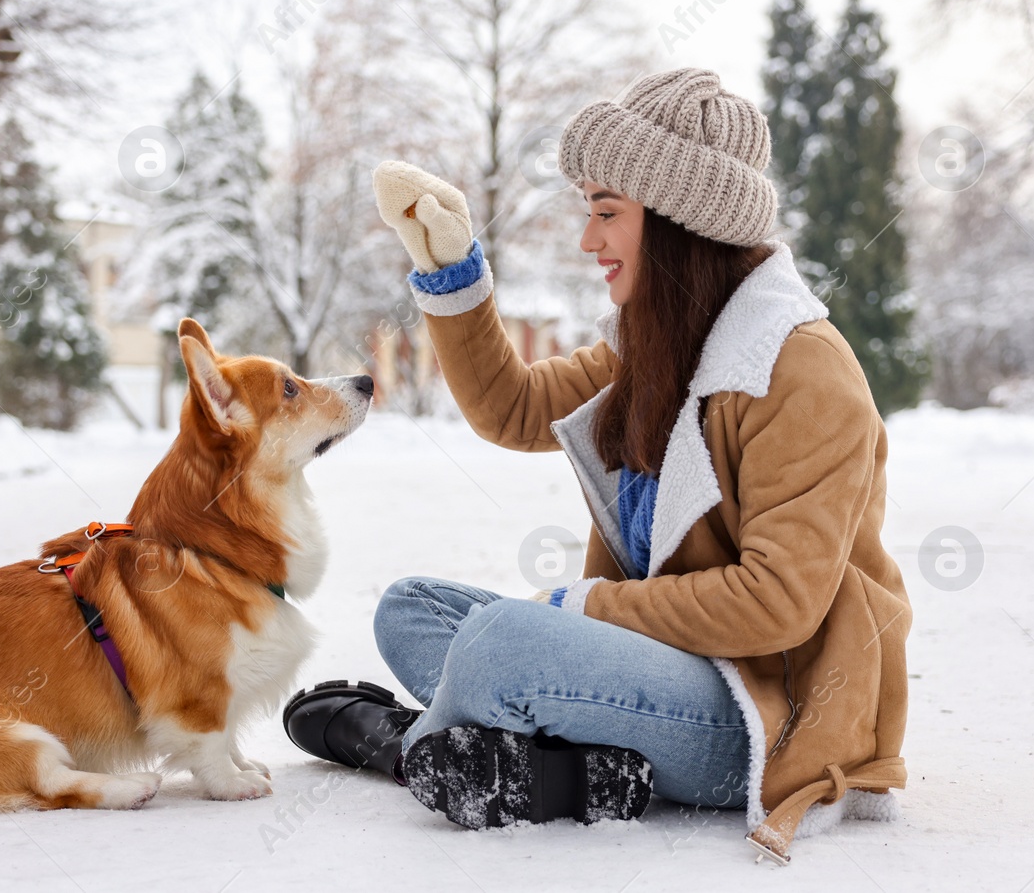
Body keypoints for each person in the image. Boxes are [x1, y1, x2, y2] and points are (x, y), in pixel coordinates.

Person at [283, 68, 911, 863]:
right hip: (657, 673)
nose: (590, 240)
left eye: (607, 212)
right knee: (411, 609)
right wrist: (451, 267)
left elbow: (778, 603)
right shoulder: (658, 350)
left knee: (501, 641)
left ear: (681, 220)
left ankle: (409, 746)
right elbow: (512, 406)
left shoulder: (797, 369)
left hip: (762, 715)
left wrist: (585, 609)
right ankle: (564, 772)